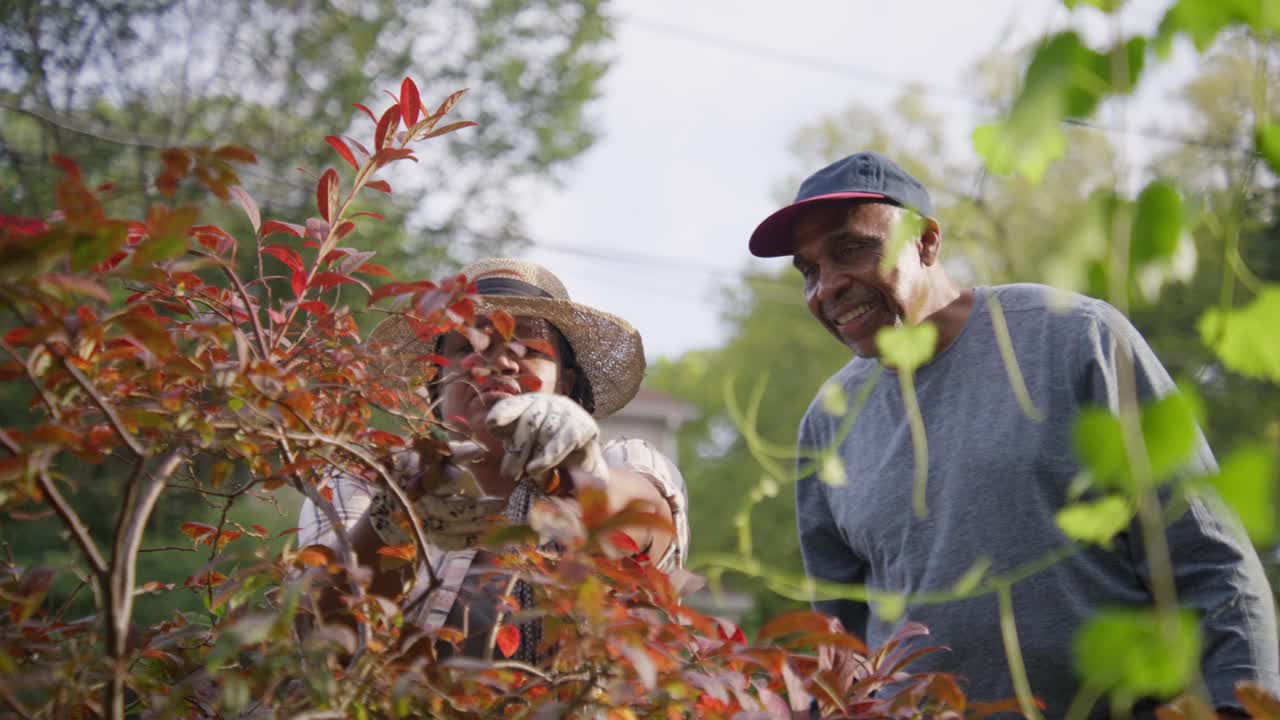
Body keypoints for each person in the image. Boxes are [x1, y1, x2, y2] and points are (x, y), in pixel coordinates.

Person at [747, 151, 1279, 716]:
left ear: (926, 242)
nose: (827, 287)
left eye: (850, 250)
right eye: (808, 271)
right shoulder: (828, 423)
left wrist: (1242, 707)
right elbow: (837, 650)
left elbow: (1207, 558)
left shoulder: (1074, 341)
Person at [296, 258, 690, 663]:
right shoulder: (365, 480)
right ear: (435, 385)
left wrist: (581, 473)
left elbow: (647, 511)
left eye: (531, 349)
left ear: (567, 384)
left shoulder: (627, 460)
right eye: (468, 346)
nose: (500, 362)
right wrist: (395, 514)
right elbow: (325, 626)